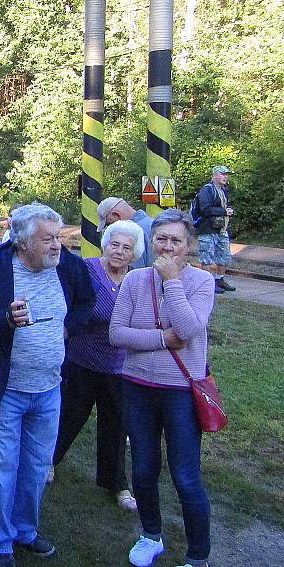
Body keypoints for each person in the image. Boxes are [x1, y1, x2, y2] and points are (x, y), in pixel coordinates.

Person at [0, 203, 95, 567]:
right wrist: (5, 319)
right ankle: (0, 540)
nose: (56, 246)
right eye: (48, 239)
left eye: (58, 238)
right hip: (4, 391)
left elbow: (87, 301)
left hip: (49, 389)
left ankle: (24, 530)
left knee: (36, 468)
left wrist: (70, 328)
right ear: (22, 242)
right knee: (1, 467)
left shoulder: (66, 267)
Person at [110, 209, 215, 567]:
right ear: (151, 241)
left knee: (186, 476)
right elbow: (117, 334)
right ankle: (151, 534)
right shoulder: (135, 280)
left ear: (189, 246)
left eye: (176, 240)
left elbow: (188, 329)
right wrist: (160, 338)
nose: (168, 247)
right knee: (143, 469)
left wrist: (171, 281)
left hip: (180, 391)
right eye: (161, 239)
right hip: (137, 385)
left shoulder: (201, 282)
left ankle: (198, 556)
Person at [51, 220, 145, 512]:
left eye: (126, 248)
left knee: (116, 427)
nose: (119, 251)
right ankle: (48, 462)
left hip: (119, 367)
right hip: (81, 361)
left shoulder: (137, 280)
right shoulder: (88, 270)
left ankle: (116, 483)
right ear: (106, 245)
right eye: (114, 244)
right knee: (68, 416)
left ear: (135, 254)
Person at [195, 165, 236, 294]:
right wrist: (224, 211)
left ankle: (219, 280)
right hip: (207, 229)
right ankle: (206, 283)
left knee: (224, 256)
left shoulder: (224, 190)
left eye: (226, 174)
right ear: (214, 175)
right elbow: (205, 209)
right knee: (206, 257)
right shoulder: (207, 190)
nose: (225, 176)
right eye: (223, 174)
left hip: (221, 230)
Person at [96, 196, 154, 269]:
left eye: (109, 224)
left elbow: (135, 273)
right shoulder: (154, 224)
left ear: (117, 215)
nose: (110, 229)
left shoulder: (132, 234)